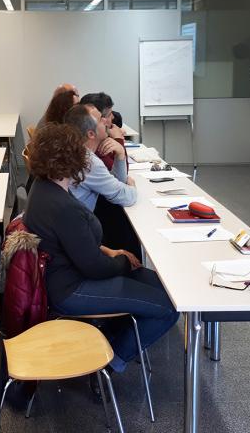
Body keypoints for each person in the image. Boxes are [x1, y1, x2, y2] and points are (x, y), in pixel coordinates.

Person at [23, 123, 178, 374]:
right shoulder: (63, 206)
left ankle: (113, 342)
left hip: (66, 275)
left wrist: (111, 252)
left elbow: (79, 246)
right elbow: (94, 267)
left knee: (165, 288)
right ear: (72, 160)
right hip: (72, 289)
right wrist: (124, 262)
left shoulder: (43, 188)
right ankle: (111, 362)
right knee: (169, 308)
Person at [64, 104, 141, 258]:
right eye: (101, 119)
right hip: (76, 243)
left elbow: (115, 181)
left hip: (70, 235)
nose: (107, 121)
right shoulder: (87, 162)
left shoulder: (74, 151)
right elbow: (126, 196)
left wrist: (120, 155)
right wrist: (132, 187)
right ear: (91, 134)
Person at [79, 92, 127, 171]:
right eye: (109, 114)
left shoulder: (96, 139)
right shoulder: (95, 148)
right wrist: (119, 140)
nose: (113, 117)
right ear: (97, 119)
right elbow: (120, 177)